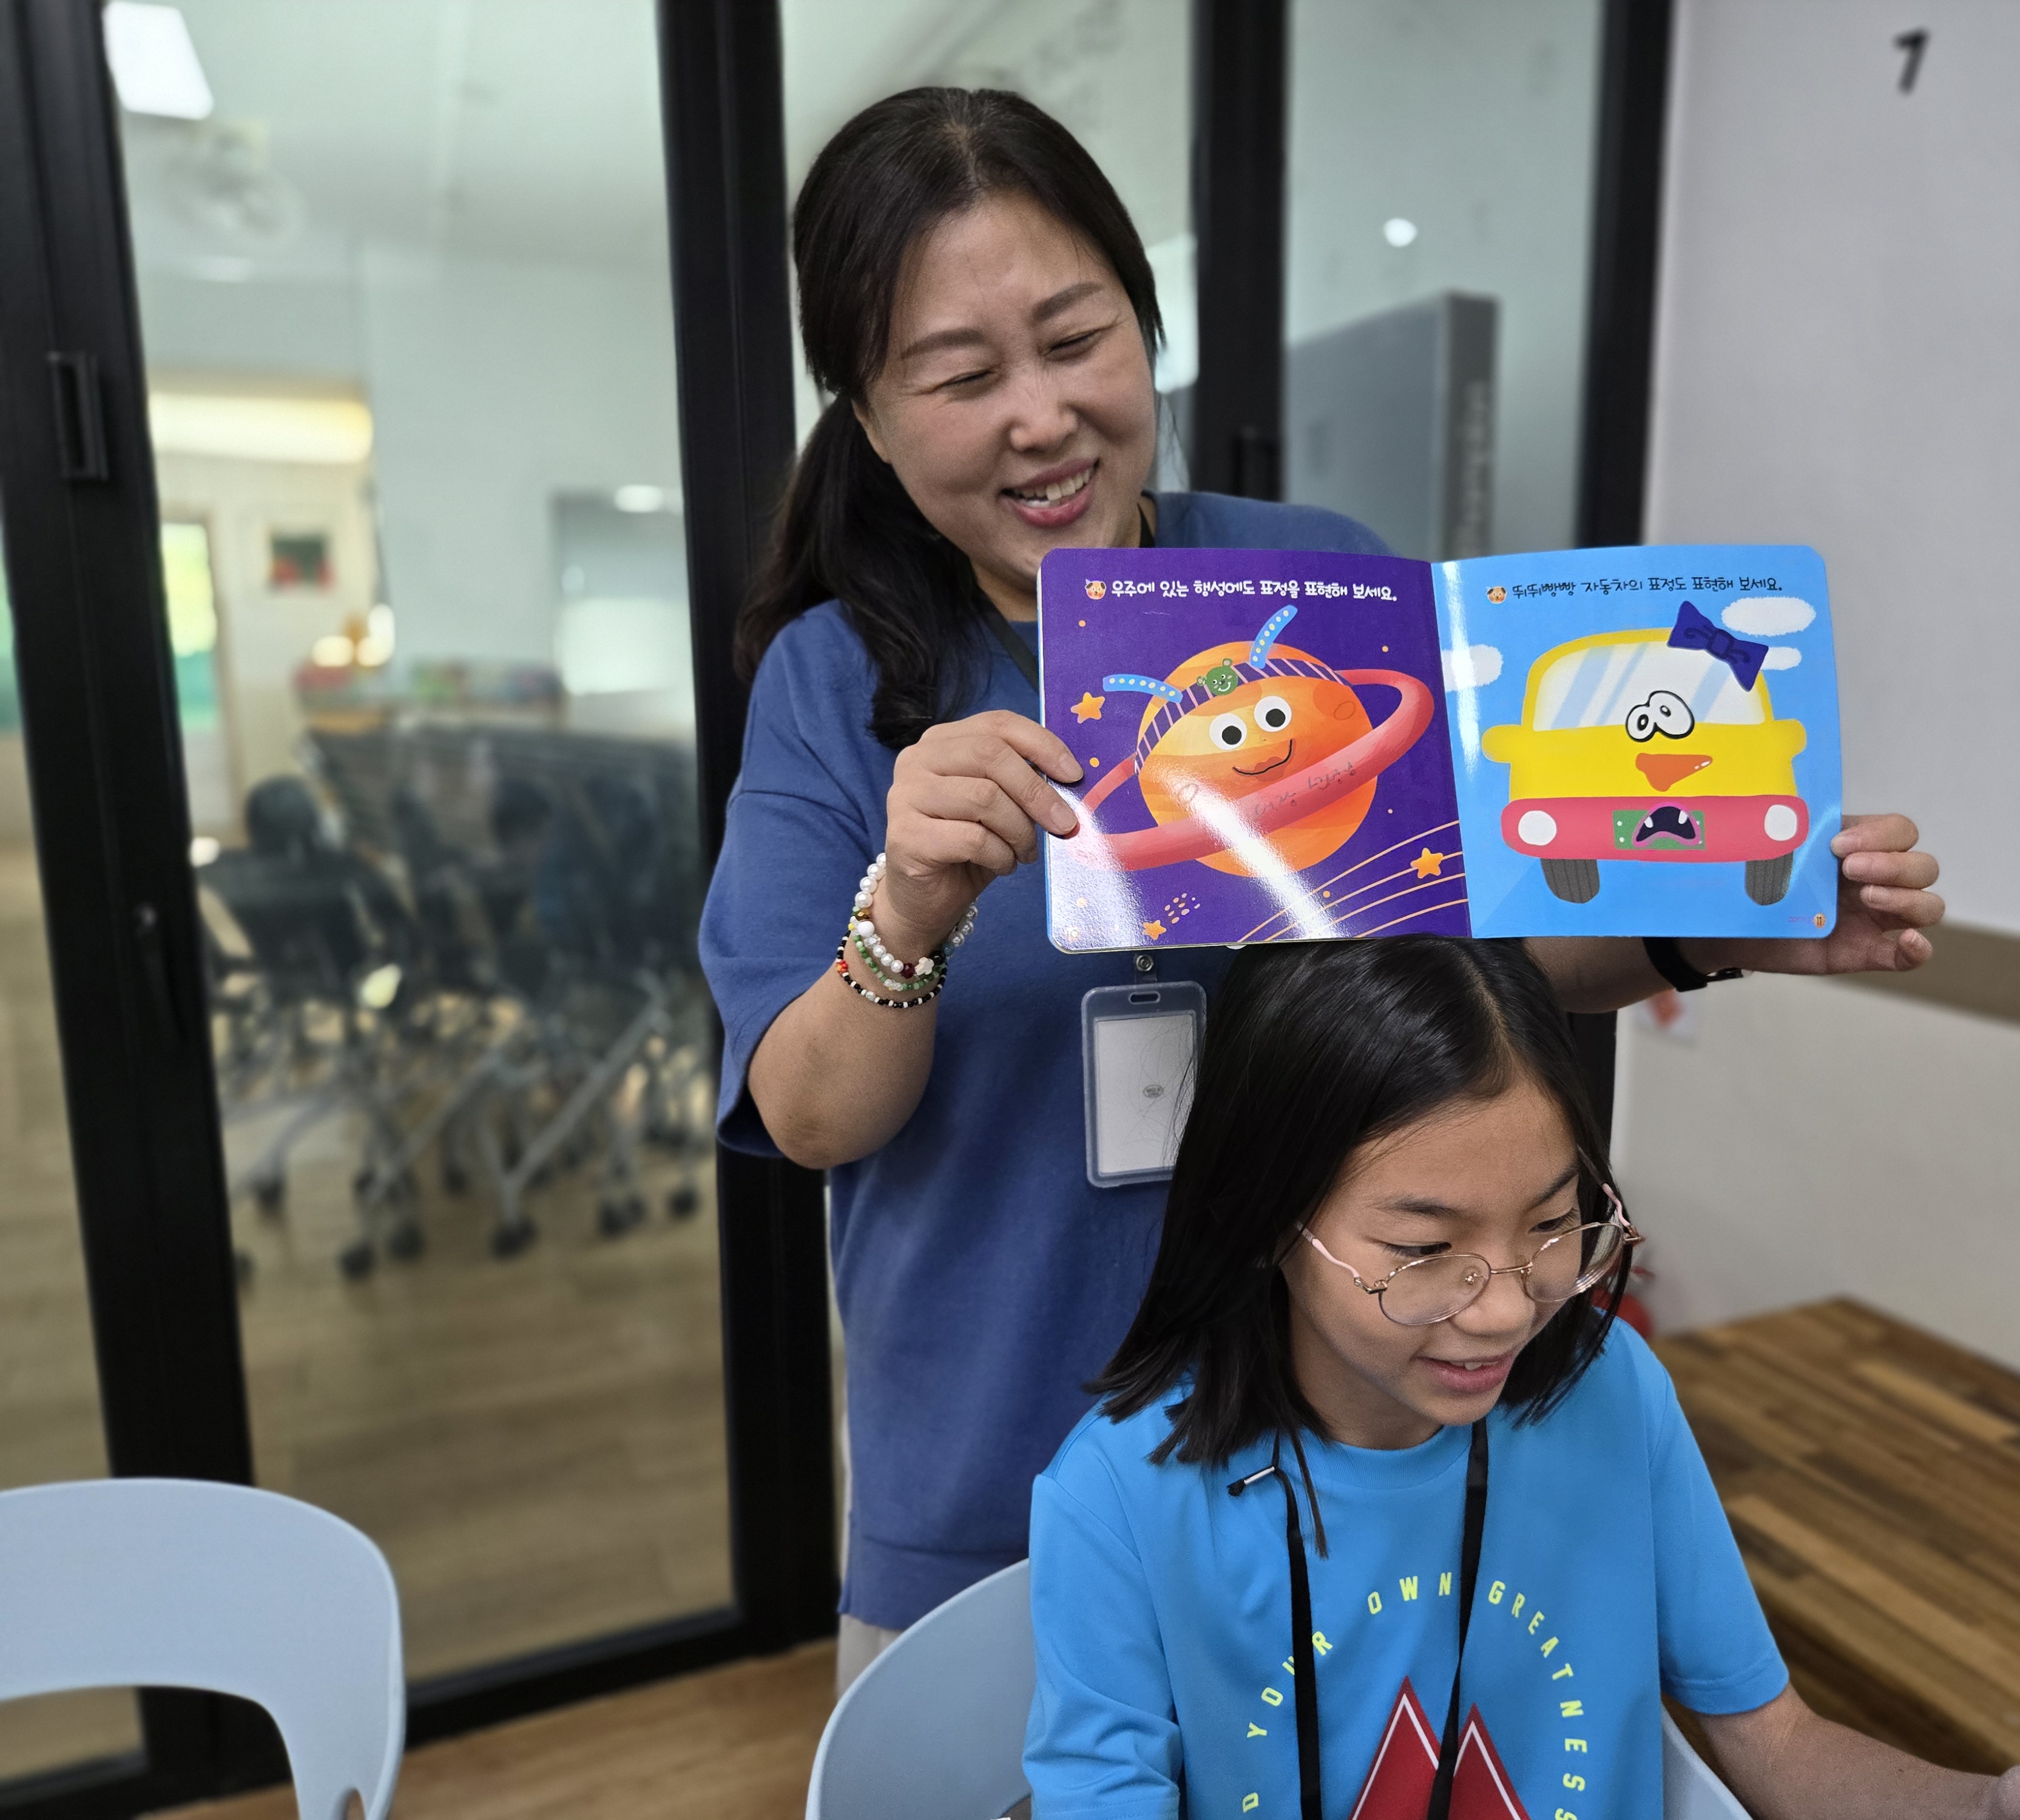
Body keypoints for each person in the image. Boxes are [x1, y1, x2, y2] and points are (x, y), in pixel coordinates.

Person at [698, 87, 1947, 1686]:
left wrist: (1721, 923)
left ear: (1145, 329)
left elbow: (1481, 940)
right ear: (870, 419)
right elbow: (811, 1118)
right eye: (962, 376)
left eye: (1077, 340)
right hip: (996, 1484)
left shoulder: (1323, 587)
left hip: (1344, 1456)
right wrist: (909, 911)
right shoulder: (835, 683)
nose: (1041, 417)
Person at [1029, 939, 2020, 1817]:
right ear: (1268, 1217)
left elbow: (1780, 1744)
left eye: (1553, 1224)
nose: (1507, 1309)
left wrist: (1994, 1805)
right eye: (1425, 1251)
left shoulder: (1608, 1391)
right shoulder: (1121, 1493)